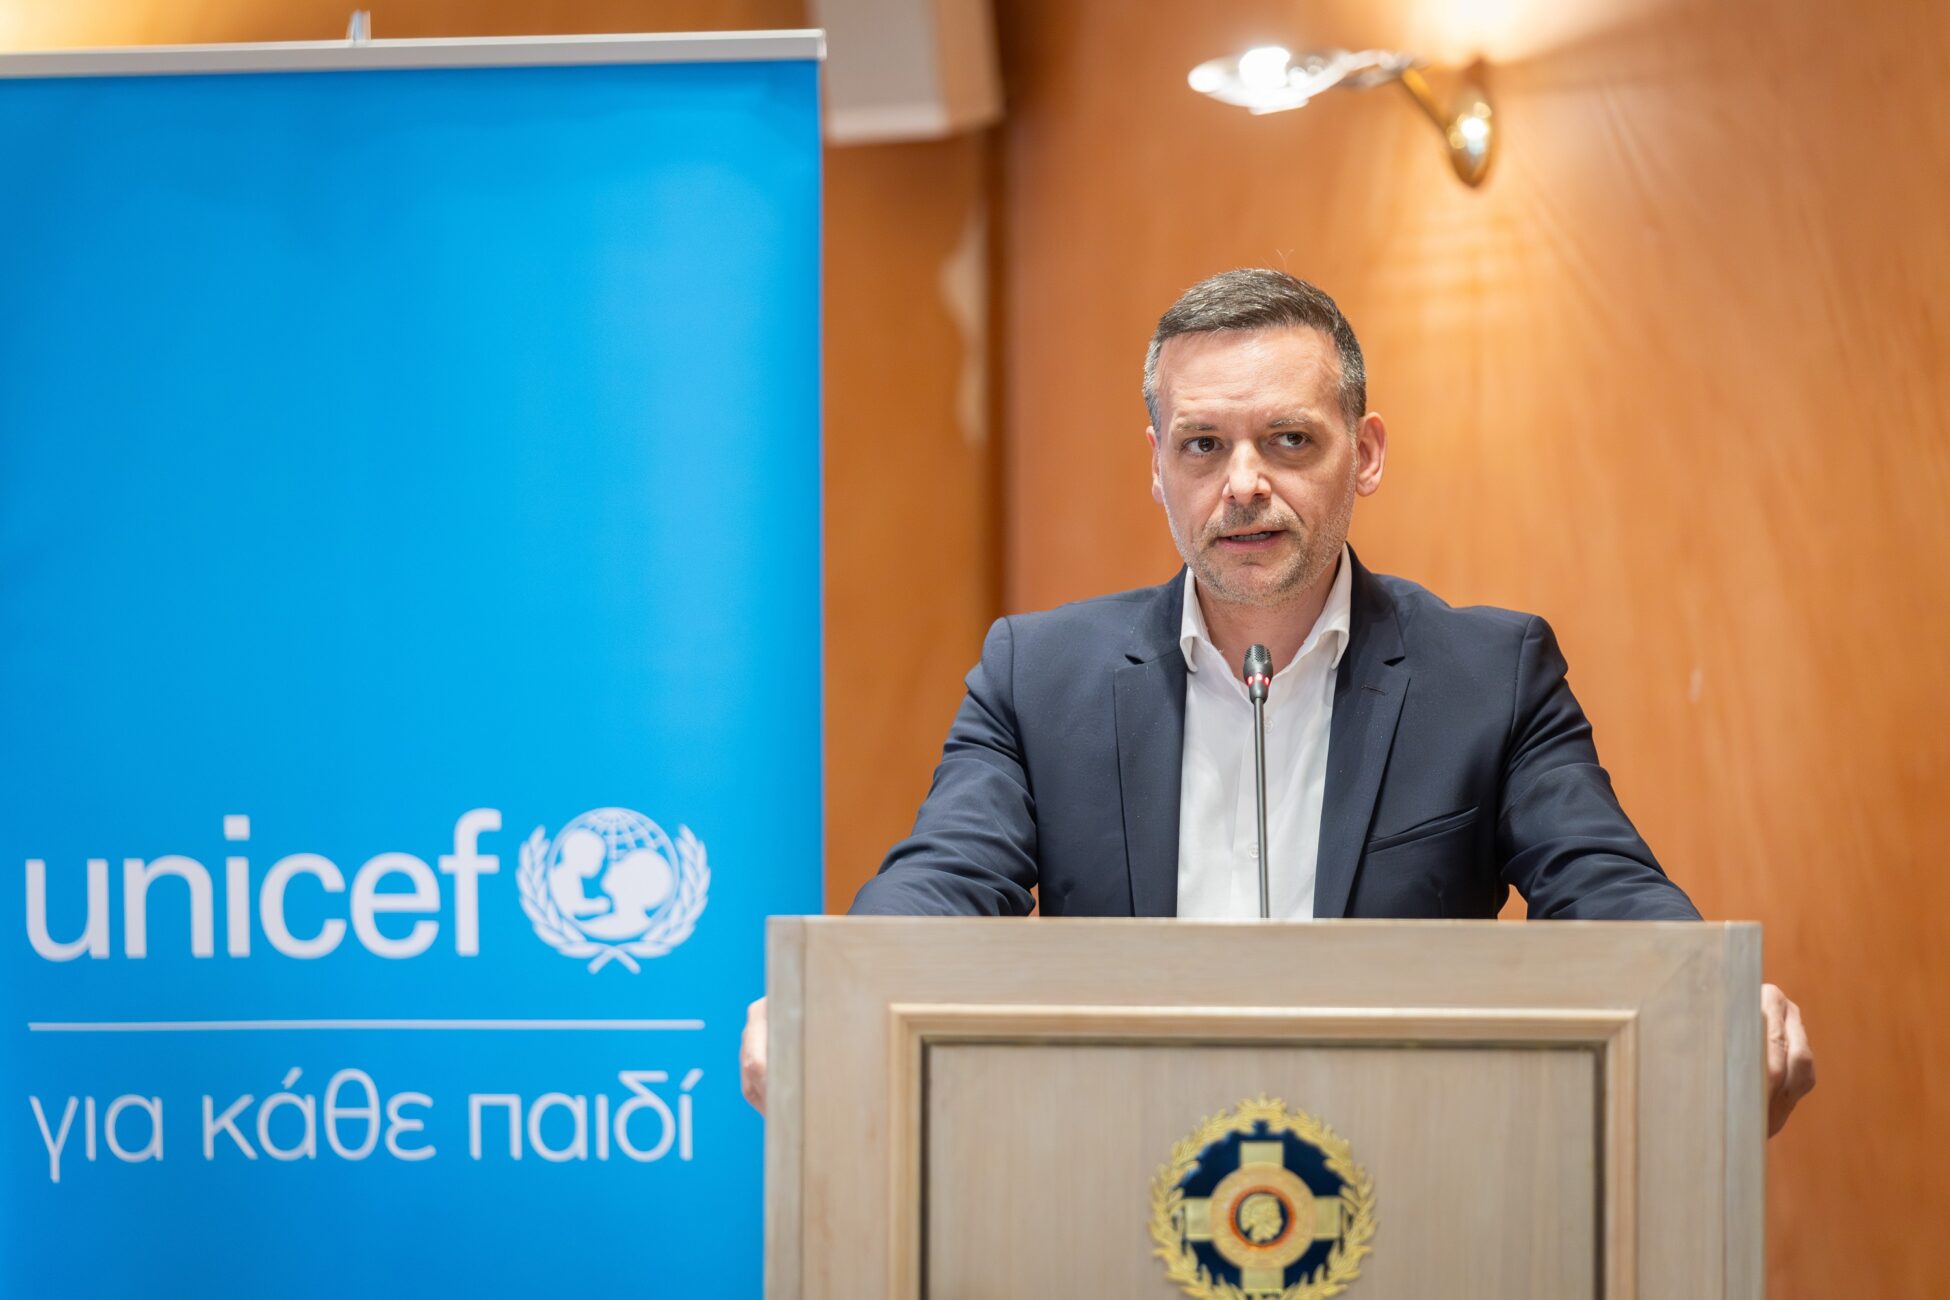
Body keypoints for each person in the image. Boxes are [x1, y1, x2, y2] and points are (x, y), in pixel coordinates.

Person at [742, 268, 1814, 1135]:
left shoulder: (1492, 675)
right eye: (1203, 445)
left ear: (1366, 453)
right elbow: (942, 881)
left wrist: (1710, 998)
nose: (1244, 482)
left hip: (1411, 1170)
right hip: (1114, 1170)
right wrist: (836, 993)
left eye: (1289, 440)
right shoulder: (1038, 675)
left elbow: (1606, 888)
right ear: (1158, 467)